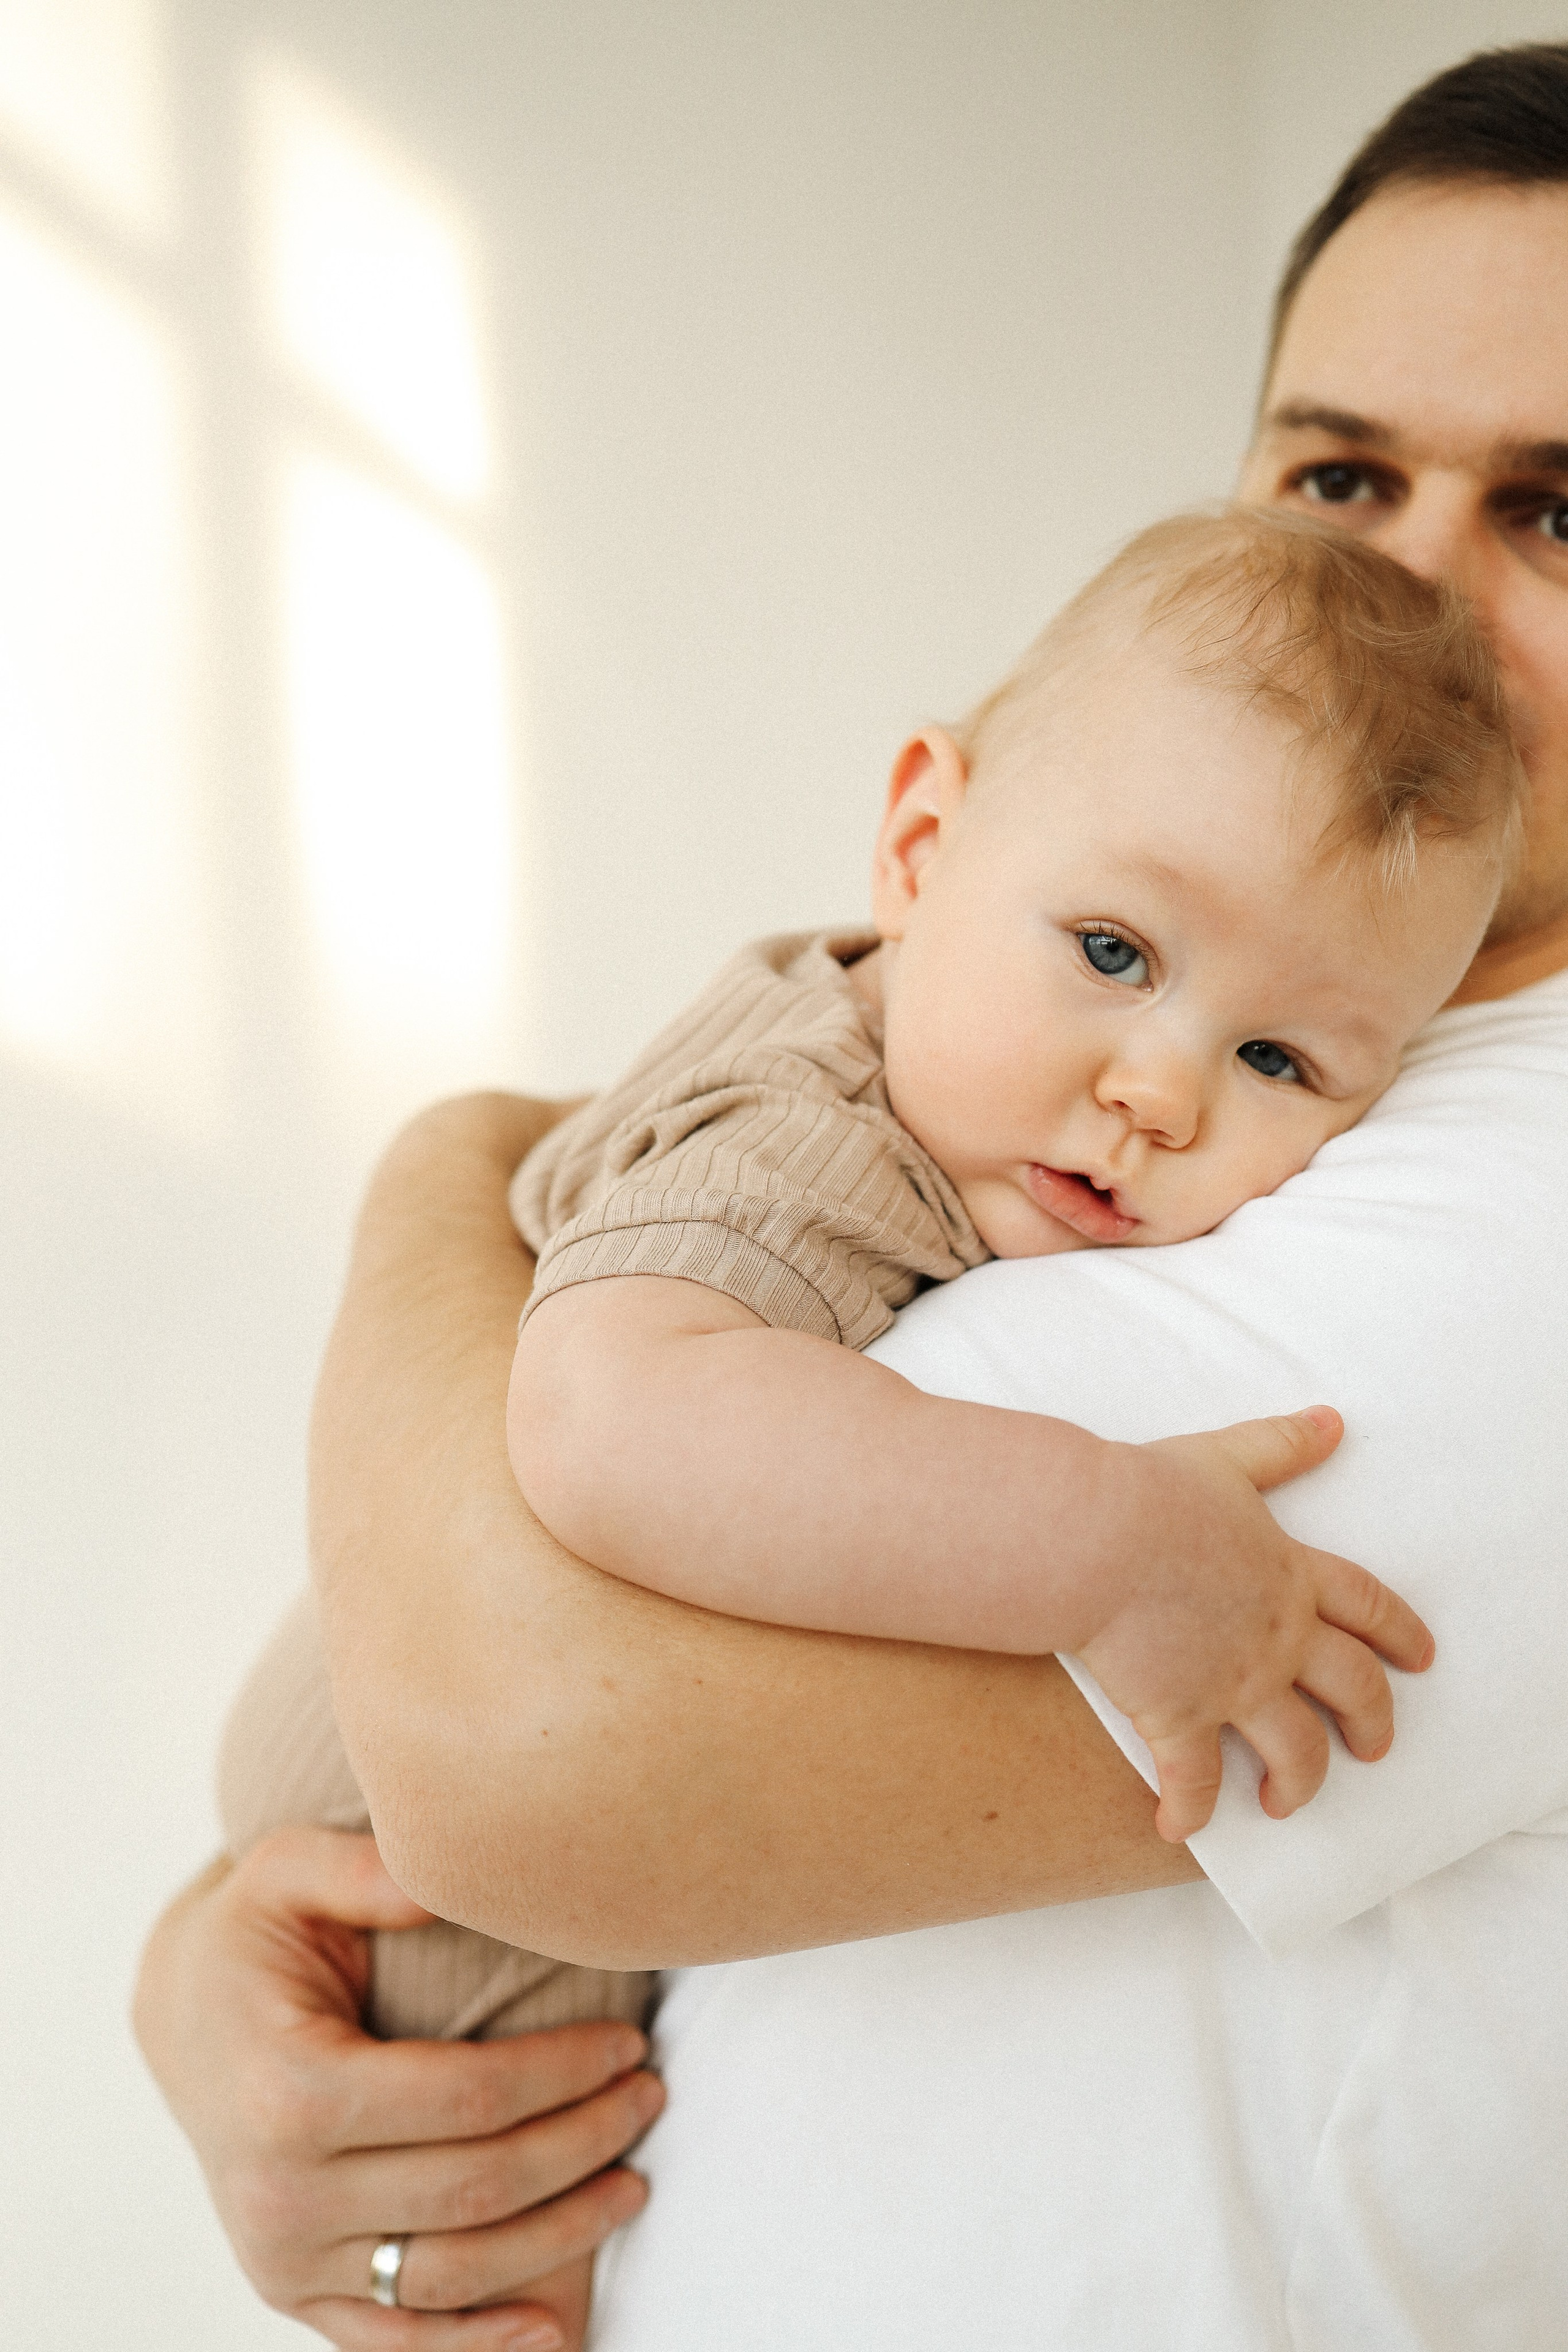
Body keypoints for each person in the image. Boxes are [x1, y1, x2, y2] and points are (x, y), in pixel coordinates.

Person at [134, 41, 1568, 2352]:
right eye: (1339, 469)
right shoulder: (1158, 1098)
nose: (1408, 600)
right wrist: (213, 1971)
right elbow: (500, 1655)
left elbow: (523, 1750)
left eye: (1562, 514)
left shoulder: (1496, 1197)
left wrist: (457, 1169)